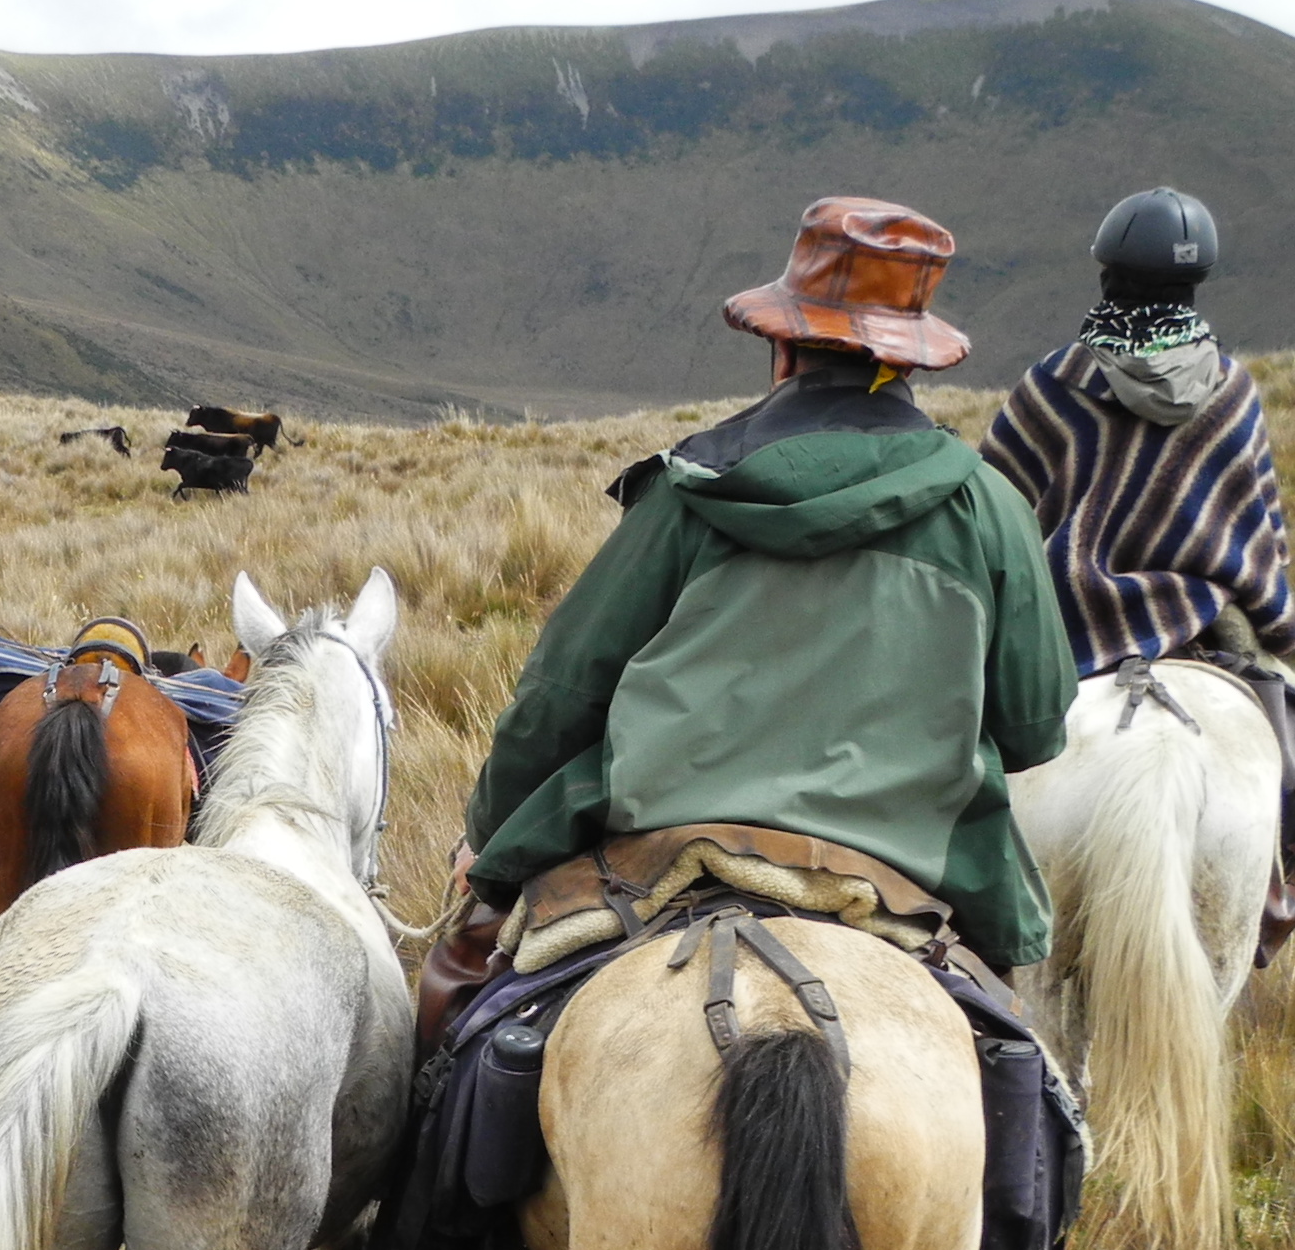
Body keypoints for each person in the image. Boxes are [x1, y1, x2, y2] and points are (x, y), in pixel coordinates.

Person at [419, 196, 1075, 1034]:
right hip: (910, 865)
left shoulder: (687, 493)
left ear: (782, 344)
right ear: (909, 361)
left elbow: (563, 694)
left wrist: (488, 832)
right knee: (1017, 1060)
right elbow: (1034, 731)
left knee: (462, 1005)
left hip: (658, 844)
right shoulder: (992, 508)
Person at [980, 187, 1295, 958]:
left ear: (1107, 274)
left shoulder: (1053, 384)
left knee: (962, 758)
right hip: (1201, 631)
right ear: (1195, 285)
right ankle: (1277, 891)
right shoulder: (1232, 391)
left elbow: (994, 513)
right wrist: (1281, 624)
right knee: (1284, 752)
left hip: (1064, 634)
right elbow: (1261, 539)